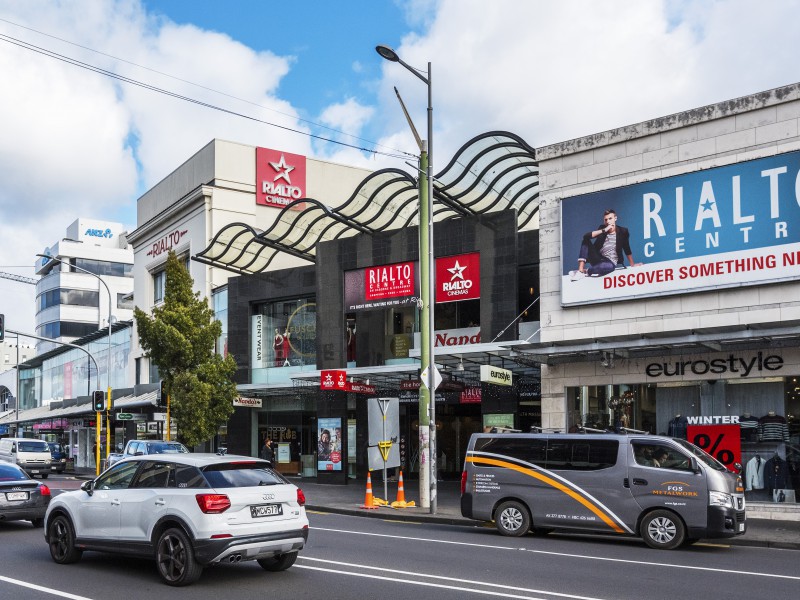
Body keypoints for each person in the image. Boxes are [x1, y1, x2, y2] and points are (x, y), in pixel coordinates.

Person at [569, 208, 641, 280]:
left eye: (610, 218)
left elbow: (626, 247)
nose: (608, 221)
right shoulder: (602, 228)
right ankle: (580, 270)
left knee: (604, 267)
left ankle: (585, 271)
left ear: (615, 218)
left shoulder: (623, 231)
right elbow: (586, 236)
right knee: (585, 241)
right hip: (598, 258)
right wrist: (604, 230)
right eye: (606, 220)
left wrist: (632, 264)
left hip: (610, 262)